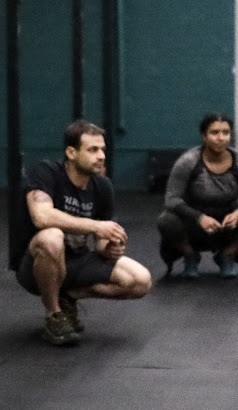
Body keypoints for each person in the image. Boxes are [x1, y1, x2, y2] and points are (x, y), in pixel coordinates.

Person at [20, 120, 153, 346]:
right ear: (71, 153)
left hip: (77, 261)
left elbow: (100, 242)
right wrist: (95, 226)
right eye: (93, 150)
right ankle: (54, 314)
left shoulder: (102, 186)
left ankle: (69, 296)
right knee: (52, 237)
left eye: (102, 149)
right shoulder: (46, 172)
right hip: (35, 265)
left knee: (141, 281)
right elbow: (42, 216)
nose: (101, 156)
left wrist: (109, 247)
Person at [157, 112, 238, 278]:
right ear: (204, 136)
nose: (221, 138)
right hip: (195, 224)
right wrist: (199, 218)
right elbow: (172, 199)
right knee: (166, 220)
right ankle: (190, 256)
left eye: (226, 133)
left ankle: (227, 255)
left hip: (227, 225)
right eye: (214, 133)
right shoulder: (188, 161)